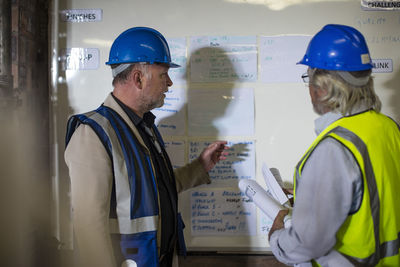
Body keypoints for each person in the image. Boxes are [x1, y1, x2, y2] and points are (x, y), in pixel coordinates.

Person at [64, 27, 228, 267]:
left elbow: (152, 187)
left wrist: (200, 166)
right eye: (163, 75)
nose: (170, 83)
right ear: (138, 78)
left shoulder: (144, 127)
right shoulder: (94, 133)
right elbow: (88, 226)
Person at [268, 24, 400, 266]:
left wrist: (276, 237)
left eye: (309, 78)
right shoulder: (389, 128)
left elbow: (306, 243)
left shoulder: (333, 148)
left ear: (324, 86)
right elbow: (374, 195)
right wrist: (309, 196)